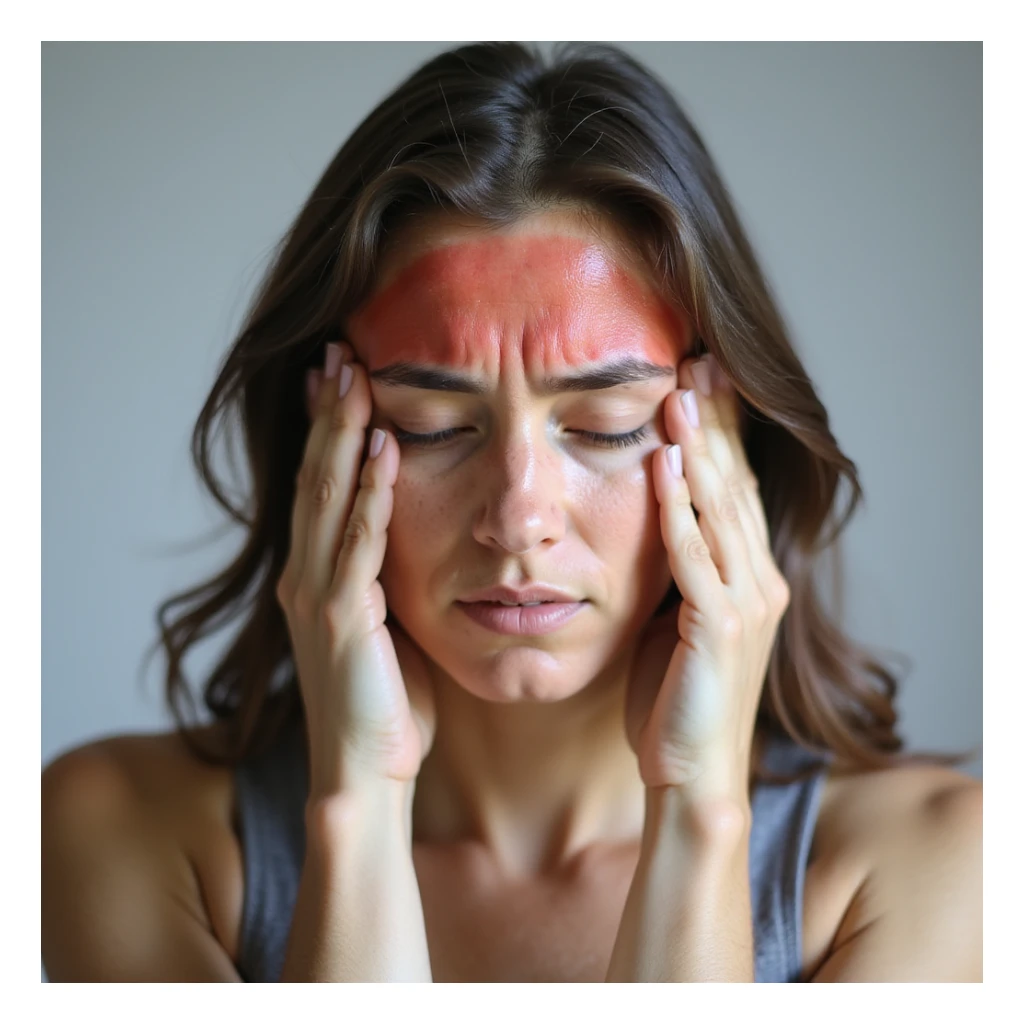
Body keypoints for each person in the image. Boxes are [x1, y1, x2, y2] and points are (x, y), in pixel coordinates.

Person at [41, 41, 982, 983]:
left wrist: (701, 814)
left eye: (607, 426)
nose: (518, 516)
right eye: (433, 425)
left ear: (726, 448)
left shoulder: (928, 865)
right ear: (322, 443)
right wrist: (358, 812)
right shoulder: (119, 829)